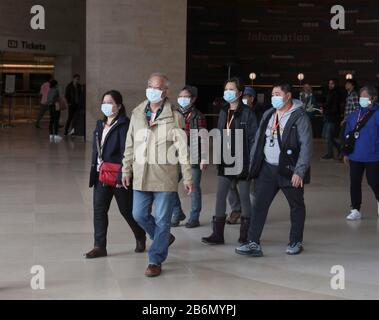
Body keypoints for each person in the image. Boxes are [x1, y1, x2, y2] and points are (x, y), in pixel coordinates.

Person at [122, 73, 193, 277]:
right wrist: (126, 169)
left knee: (163, 220)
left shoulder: (175, 116)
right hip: (141, 174)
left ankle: (155, 260)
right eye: (150, 86)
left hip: (164, 176)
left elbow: (183, 150)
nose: (152, 90)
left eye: (157, 87)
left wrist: (187, 177)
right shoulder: (137, 113)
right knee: (138, 214)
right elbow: (130, 143)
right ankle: (163, 238)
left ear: (166, 92)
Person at [236, 84, 312, 257]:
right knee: (259, 206)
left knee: (296, 206)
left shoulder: (300, 117)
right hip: (267, 168)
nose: (274, 97)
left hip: (289, 169)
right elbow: (258, 140)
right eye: (272, 94)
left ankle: (295, 241)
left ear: (288, 96)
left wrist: (299, 171)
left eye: (278, 94)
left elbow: (306, 146)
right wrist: (253, 165)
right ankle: (253, 242)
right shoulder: (269, 114)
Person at [85, 90, 146, 258]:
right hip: (101, 175)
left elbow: (127, 152)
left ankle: (140, 234)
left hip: (119, 177)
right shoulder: (99, 125)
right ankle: (99, 246)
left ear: (118, 106)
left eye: (110, 102)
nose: (106, 105)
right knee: (99, 211)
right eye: (104, 102)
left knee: (127, 211)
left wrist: (122, 175)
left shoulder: (124, 125)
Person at [202, 77, 257, 245]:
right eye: (226, 89)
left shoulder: (248, 113)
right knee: (220, 196)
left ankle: (246, 235)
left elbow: (254, 139)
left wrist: (251, 163)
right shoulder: (224, 111)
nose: (228, 92)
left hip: (243, 160)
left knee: (245, 197)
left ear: (240, 93)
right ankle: (217, 234)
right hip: (226, 159)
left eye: (232, 90)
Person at [171, 85, 207, 228]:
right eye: (180, 96)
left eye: (186, 97)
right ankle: (177, 212)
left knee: (193, 188)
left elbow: (203, 137)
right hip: (175, 155)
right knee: (170, 185)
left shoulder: (198, 116)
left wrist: (204, 157)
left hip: (194, 156)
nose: (182, 99)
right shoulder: (174, 113)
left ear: (193, 99)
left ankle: (194, 217)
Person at [343, 86, 379, 221]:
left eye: (364, 97)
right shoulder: (355, 113)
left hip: (373, 155)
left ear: (373, 98)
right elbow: (347, 134)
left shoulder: (377, 114)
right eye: (360, 97)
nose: (361, 99)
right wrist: (346, 153)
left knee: (374, 181)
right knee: (355, 182)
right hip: (355, 155)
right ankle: (355, 209)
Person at [226, 86, 257, 225]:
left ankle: (249, 213)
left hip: (247, 156)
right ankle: (236, 209)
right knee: (230, 185)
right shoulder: (231, 112)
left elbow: (255, 138)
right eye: (242, 97)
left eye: (247, 97)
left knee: (248, 189)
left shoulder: (255, 114)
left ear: (252, 98)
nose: (244, 99)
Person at [339, 80, 360, 160]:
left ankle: (345, 154)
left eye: (348, 84)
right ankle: (344, 154)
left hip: (350, 120)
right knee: (343, 137)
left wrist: (346, 119)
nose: (346, 85)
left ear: (352, 86)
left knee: (343, 137)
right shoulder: (349, 94)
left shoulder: (353, 95)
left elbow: (356, 109)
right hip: (347, 119)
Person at [321, 79, 341, 159]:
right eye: (329, 83)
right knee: (326, 136)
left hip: (332, 118)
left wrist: (325, 110)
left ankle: (330, 153)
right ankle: (339, 148)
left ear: (335, 84)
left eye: (332, 83)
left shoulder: (336, 93)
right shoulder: (329, 92)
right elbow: (327, 103)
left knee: (328, 136)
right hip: (328, 117)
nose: (330, 85)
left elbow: (335, 108)